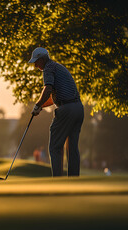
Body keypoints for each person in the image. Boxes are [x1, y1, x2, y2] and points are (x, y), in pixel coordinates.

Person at [28, 47, 84, 177]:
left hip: (67, 110)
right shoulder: (58, 67)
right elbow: (54, 98)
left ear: (42, 59)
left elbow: (47, 89)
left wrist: (37, 105)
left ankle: (57, 180)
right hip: (78, 109)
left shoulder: (48, 68)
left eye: (36, 62)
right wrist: (41, 107)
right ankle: (73, 180)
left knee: (55, 146)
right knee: (72, 148)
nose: (36, 65)